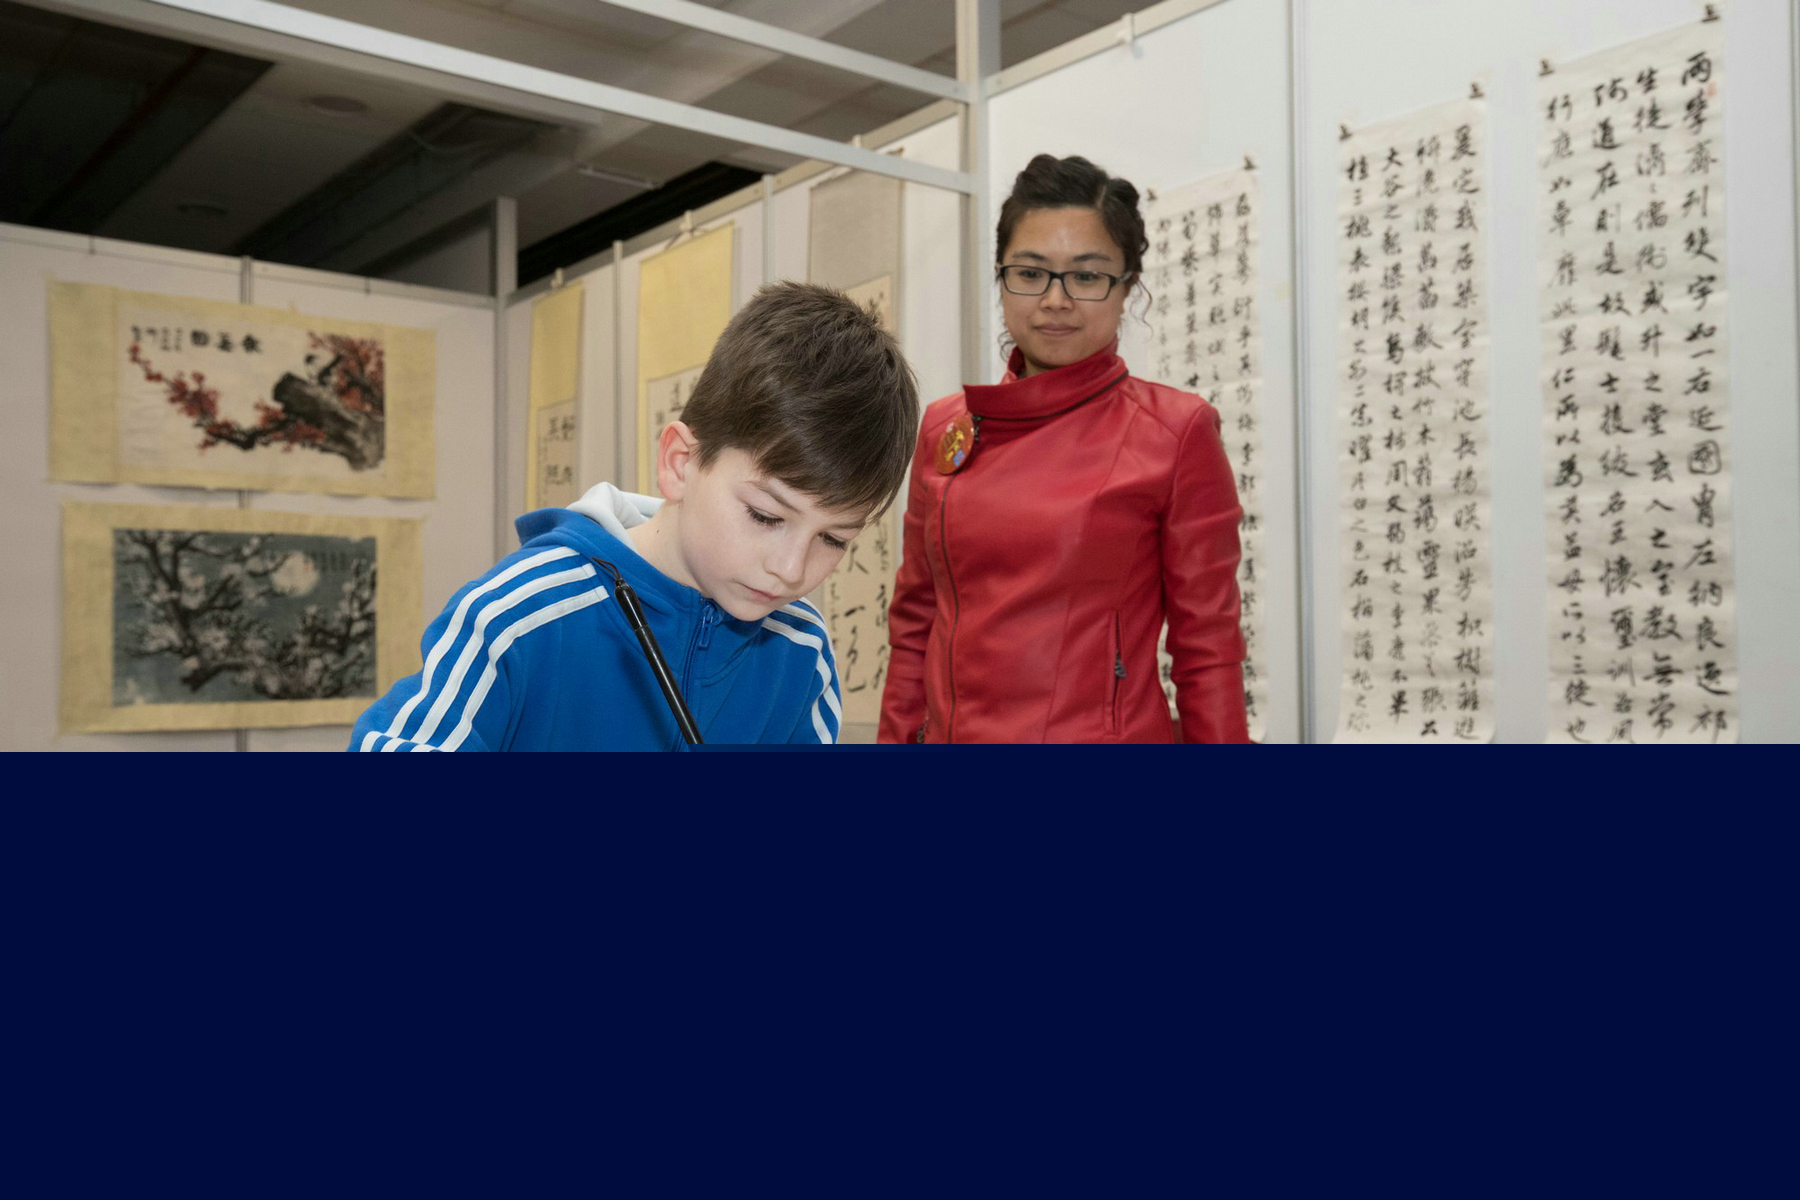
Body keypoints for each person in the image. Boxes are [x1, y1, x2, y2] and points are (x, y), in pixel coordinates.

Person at [352, 281, 919, 751]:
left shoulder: (800, 652)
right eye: (765, 515)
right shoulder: (522, 613)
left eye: (834, 540)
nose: (792, 570)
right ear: (679, 462)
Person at [877, 154, 1251, 744]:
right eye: (1030, 273)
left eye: (1086, 276)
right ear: (1001, 279)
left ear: (1127, 288)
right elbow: (914, 624)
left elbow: (1208, 646)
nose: (1055, 299)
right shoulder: (944, 429)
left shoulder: (1175, 433)